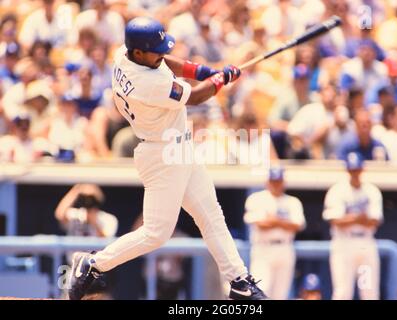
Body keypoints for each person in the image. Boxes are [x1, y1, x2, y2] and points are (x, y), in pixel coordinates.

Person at [68, 17, 268, 300]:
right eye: (155, 49)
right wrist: (219, 79)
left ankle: (238, 281)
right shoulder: (146, 84)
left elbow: (166, 61)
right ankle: (93, 264)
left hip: (178, 147)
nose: (160, 53)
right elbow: (197, 97)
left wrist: (203, 71)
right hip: (162, 154)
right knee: (156, 233)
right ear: (138, 53)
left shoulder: (125, 55)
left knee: (211, 215)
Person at [323, 152, 383, 300]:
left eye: (357, 169)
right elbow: (335, 220)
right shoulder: (337, 190)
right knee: (343, 292)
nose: (354, 172)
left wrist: (349, 218)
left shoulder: (371, 190)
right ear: (347, 170)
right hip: (344, 243)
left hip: (365, 244)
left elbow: (375, 220)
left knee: (369, 292)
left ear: (362, 169)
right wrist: (358, 218)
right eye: (352, 169)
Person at [244, 167, 305, 300]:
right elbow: (261, 225)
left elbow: (297, 225)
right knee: (260, 291)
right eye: (273, 180)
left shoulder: (292, 201)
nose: (276, 184)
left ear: (283, 182)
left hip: (285, 248)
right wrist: (284, 223)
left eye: (278, 180)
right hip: (263, 249)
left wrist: (274, 220)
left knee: (281, 294)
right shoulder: (257, 198)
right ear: (267, 182)